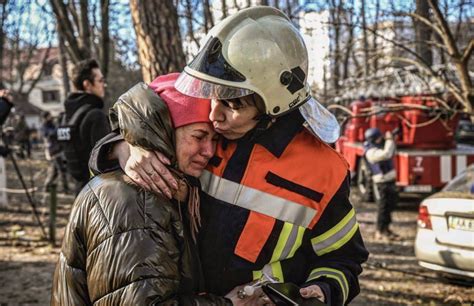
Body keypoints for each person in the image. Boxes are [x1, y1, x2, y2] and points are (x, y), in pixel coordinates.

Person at [90, 7, 368, 305]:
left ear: (273, 109)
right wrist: (126, 145)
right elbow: (143, 115)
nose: (214, 114)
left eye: (233, 106)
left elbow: (343, 259)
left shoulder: (324, 171)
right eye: (214, 95)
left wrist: (325, 289)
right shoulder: (209, 137)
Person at [51, 74, 234, 305]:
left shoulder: (173, 186)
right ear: (166, 131)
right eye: (199, 136)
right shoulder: (136, 198)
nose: (209, 150)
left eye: (215, 139)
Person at [61, 58, 110, 193]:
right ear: (87, 84)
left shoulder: (65, 117)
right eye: (100, 81)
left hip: (79, 194)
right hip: (101, 194)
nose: (103, 85)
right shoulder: (95, 116)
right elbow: (106, 163)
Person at [363, 128, 399, 240]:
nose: (381, 139)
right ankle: (379, 230)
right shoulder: (370, 152)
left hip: (389, 181)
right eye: (379, 137)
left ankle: (386, 229)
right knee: (383, 208)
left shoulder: (376, 146)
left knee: (390, 207)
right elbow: (386, 154)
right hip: (382, 182)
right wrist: (389, 140)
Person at [41, 111, 69, 194]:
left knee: (55, 172)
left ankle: (46, 187)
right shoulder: (44, 126)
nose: (52, 117)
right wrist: (60, 126)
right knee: (61, 170)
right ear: (46, 117)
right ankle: (65, 189)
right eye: (50, 116)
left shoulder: (52, 125)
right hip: (53, 151)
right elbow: (52, 134)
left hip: (58, 150)